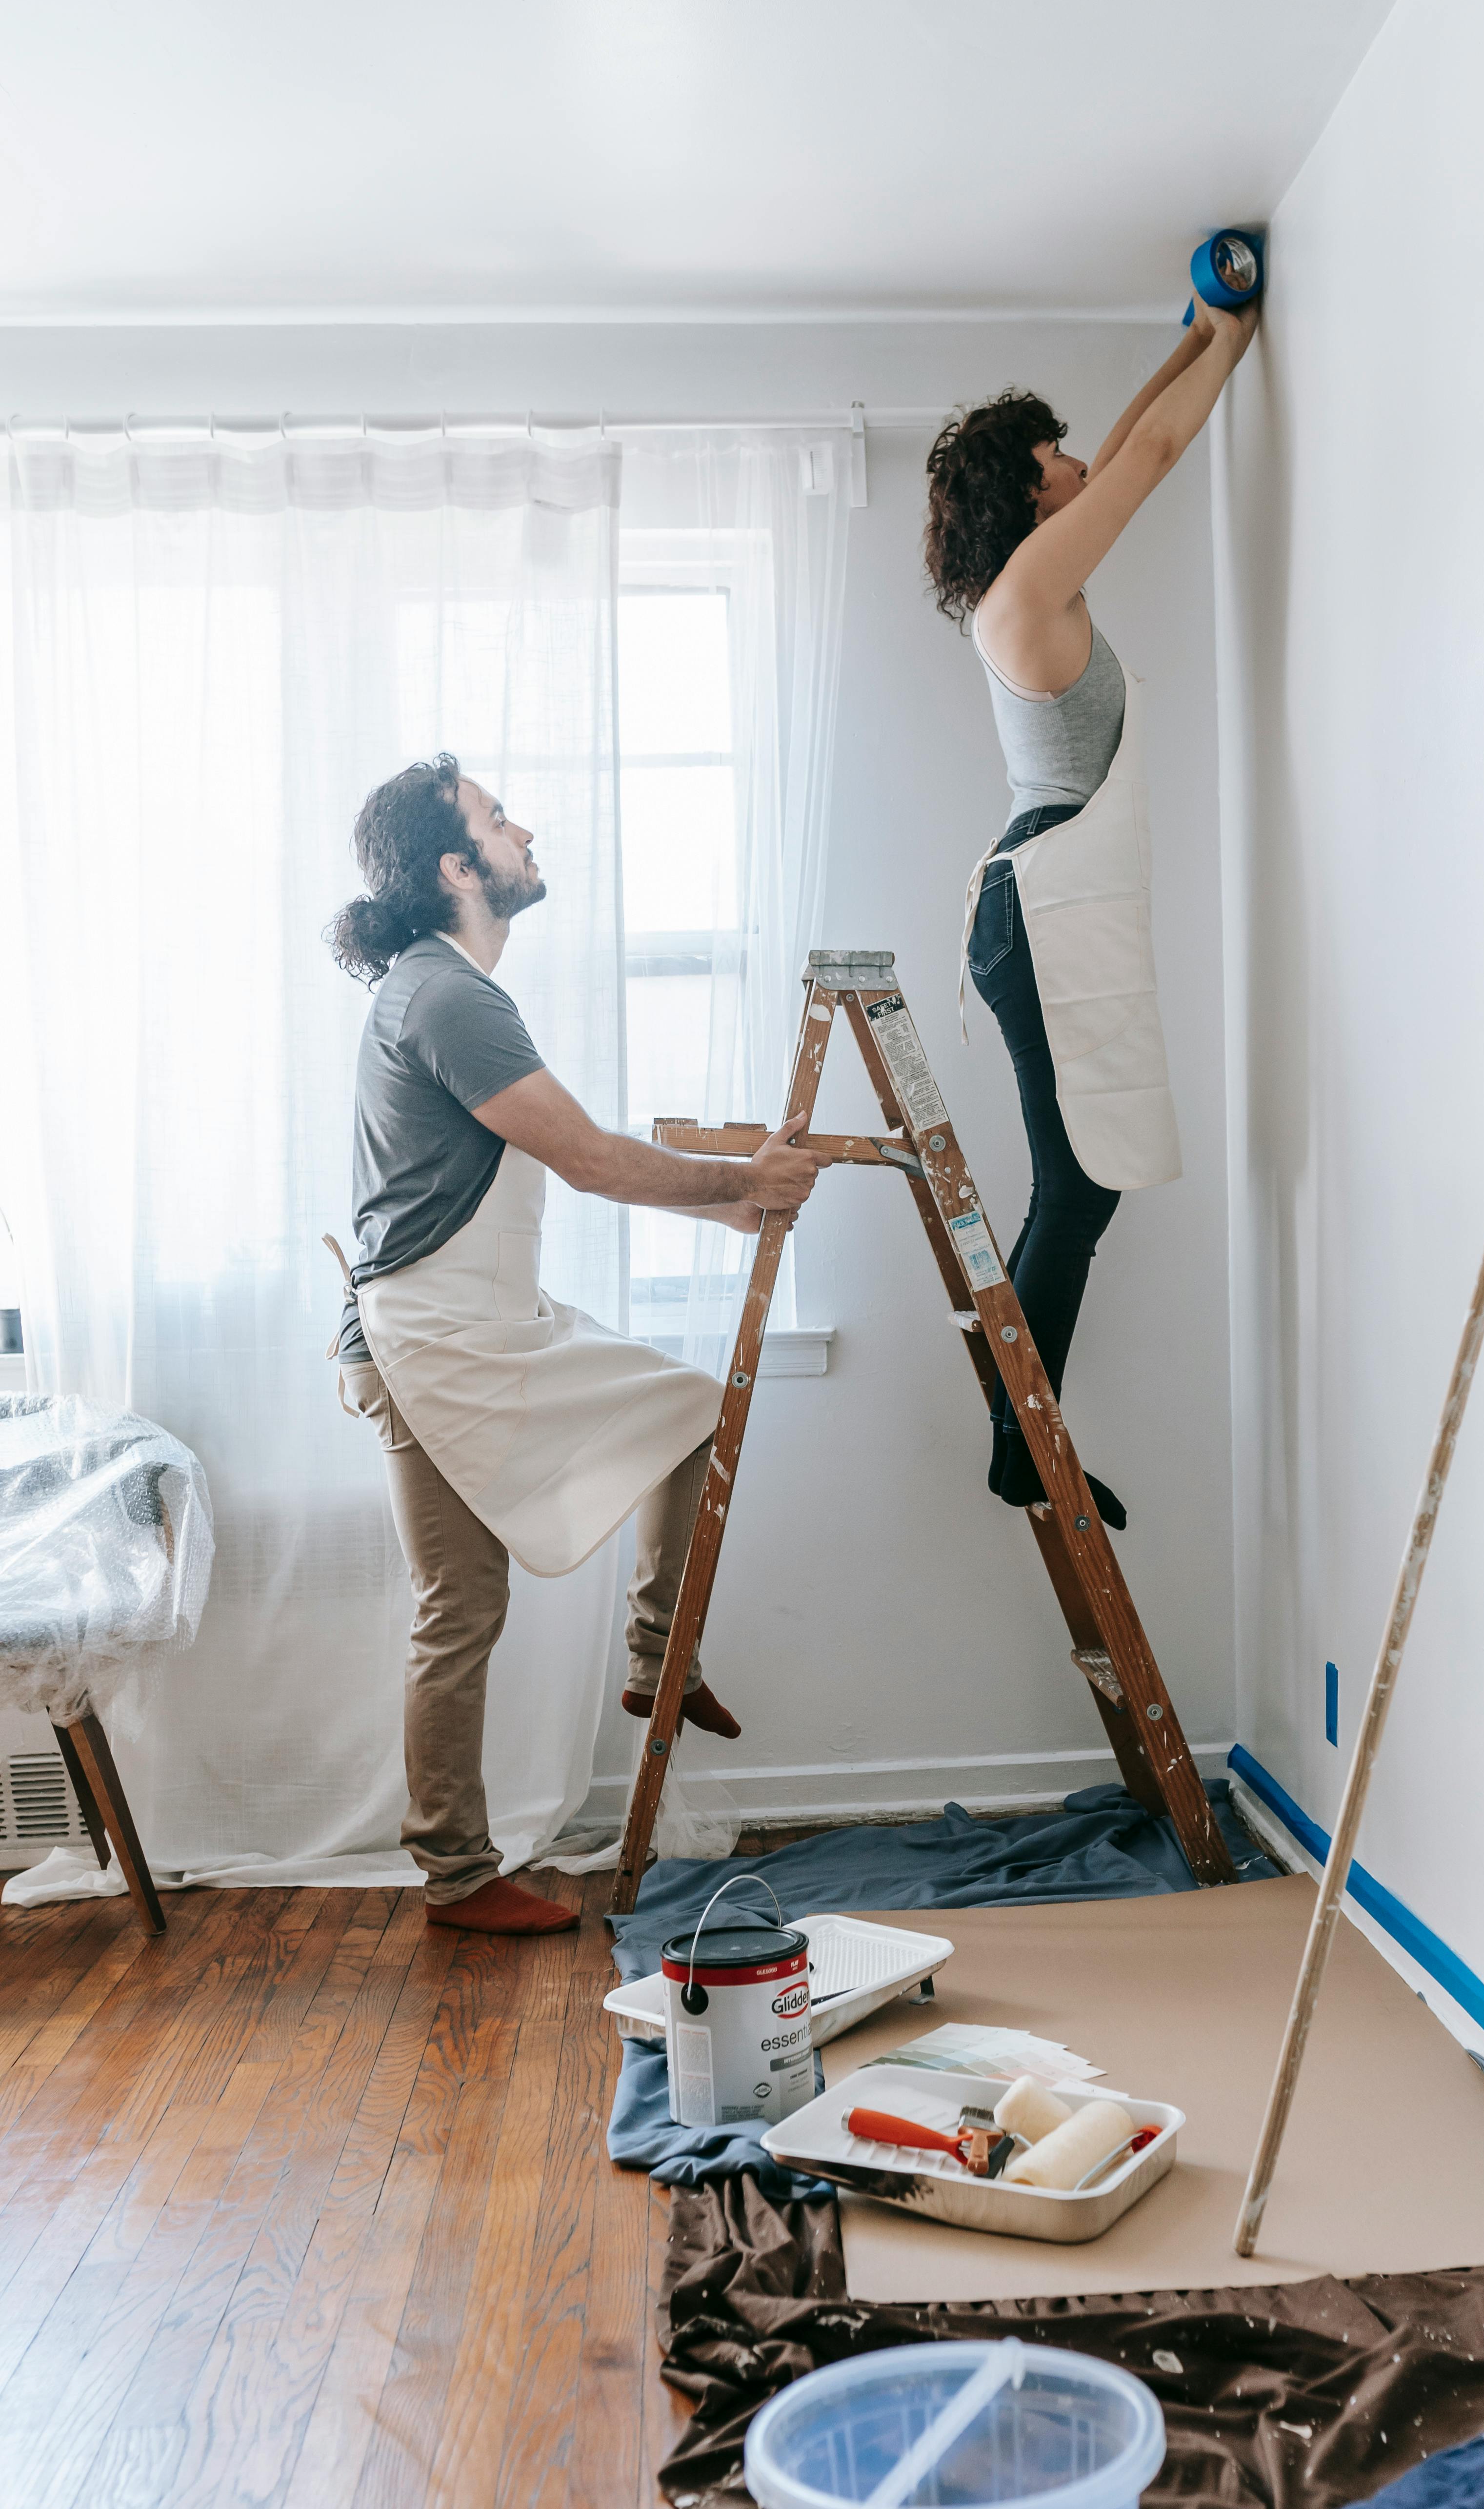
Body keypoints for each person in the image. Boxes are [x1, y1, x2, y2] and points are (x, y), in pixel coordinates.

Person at [326, 755, 816, 1935]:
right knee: (459, 1606)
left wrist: (727, 1202)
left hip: (464, 1320)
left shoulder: (439, 990)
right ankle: (456, 1872)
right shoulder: (445, 998)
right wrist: (741, 1180)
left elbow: (555, 1159)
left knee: (683, 1410)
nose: (522, 831)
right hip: (434, 1336)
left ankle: (654, 1654)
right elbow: (589, 1158)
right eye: (498, 821)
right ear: (457, 868)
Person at [924, 296, 1258, 1530]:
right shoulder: (1024, 595)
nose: (1075, 466)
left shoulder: (1030, 587)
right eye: (1049, 459)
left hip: (1040, 906)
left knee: (1076, 1190)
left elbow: (1125, 448)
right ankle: (1021, 1438)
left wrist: (1198, 335)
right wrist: (1225, 347)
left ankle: (1021, 1428)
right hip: (1036, 913)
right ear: (1026, 497)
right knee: (1074, 1193)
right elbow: (1153, 460)